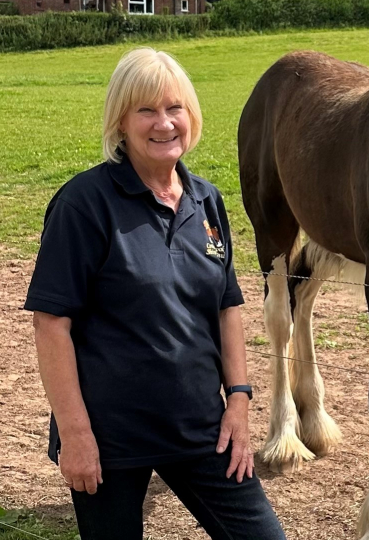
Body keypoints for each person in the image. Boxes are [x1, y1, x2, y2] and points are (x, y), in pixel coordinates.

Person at [25, 48, 286, 540]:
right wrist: (76, 434)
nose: (164, 123)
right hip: (110, 440)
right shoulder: (84, 204)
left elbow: (227, 305)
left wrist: (239, 400)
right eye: (146, 110)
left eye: (175, 108)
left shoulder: (206, 199)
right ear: (120, 122)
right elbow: (51, 324)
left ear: (192, 116)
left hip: (202, 428)